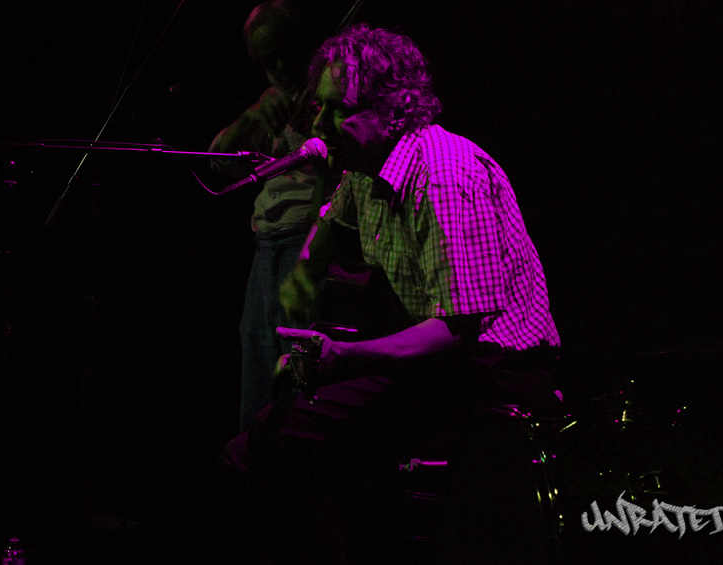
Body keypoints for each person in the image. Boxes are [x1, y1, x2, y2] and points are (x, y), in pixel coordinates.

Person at [222, 24, 562, 563]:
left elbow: (456, 331)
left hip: (494, 369)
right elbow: (324, 236)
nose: (320, 123)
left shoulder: (444, 176)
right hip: (439, 363)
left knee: (276, 447)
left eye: (339, 109)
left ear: (396, 109)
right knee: (272, 439)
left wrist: (343, 358)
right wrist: (301, 287)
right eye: (318, 106)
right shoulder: (365, 166)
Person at [209, 0, 332, 432]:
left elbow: (341, 179)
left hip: (307, 238)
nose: (277, 69)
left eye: (283, 54)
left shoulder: (329, 95)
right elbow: (218, 161)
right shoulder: (275, 100)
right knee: (259, 357)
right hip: (268, 241)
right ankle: (254, 454)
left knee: (297, 365)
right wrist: (254, 117)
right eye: (265, 61)